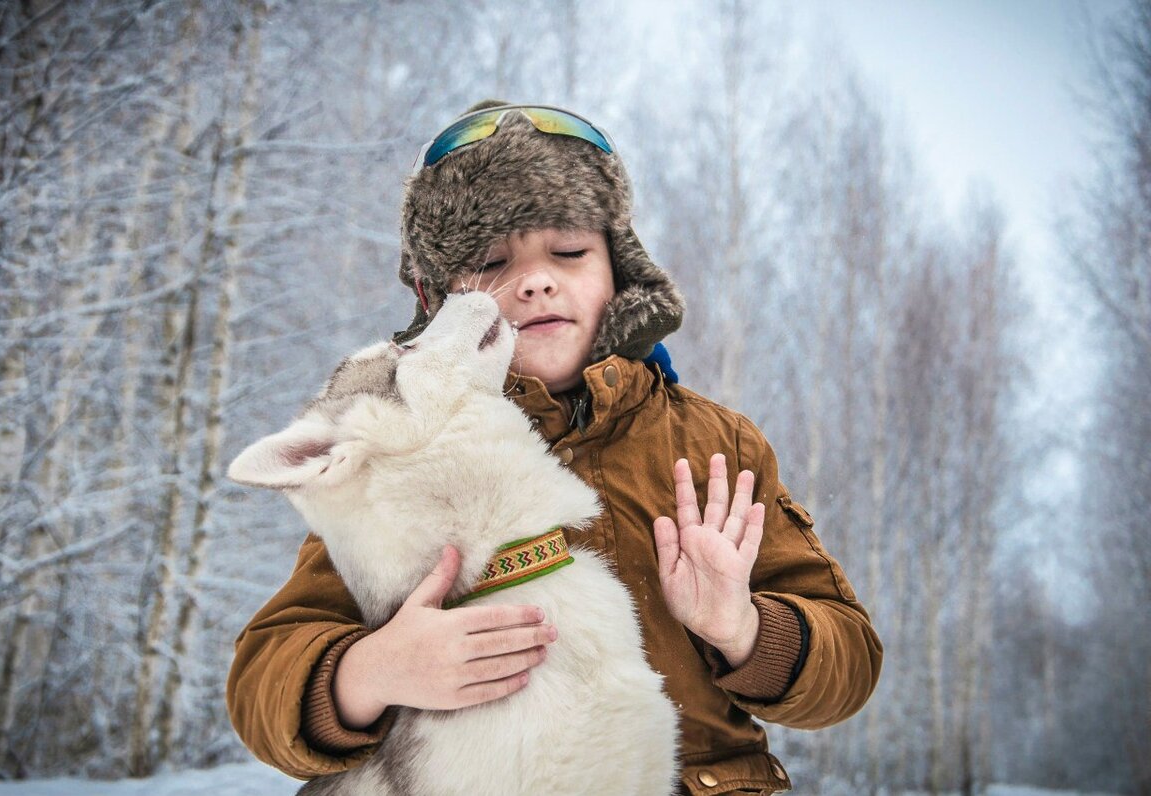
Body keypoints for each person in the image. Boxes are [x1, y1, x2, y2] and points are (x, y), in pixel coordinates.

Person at [227, 100, 883, 795]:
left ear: (620, 272)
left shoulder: (714, 445)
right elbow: (264, 683)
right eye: (491, 260)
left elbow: (848, 670)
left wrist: (744, 629)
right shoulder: (397, 456)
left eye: (569, 252)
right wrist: (370, 672)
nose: (538, 279)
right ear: (441, 298)